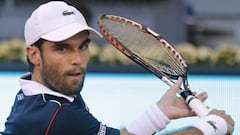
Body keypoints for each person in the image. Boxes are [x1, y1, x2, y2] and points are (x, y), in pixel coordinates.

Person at [1, 1, 234, 135]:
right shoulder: (55, 115)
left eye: (82, 47)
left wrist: (160, 113)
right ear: (34, 54)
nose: (77, 59)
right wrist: (212, 126)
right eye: (62, 49)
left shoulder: (42, 96)